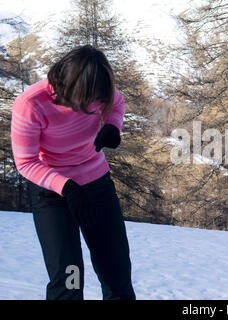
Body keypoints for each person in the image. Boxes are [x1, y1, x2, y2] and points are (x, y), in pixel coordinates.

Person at [10, 45, 136, 300]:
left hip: (96, 184)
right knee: (69, 279)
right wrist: (67, 187)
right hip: (53, 193)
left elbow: (117, 103)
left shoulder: (98, 90)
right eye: (90, 100)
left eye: (98, 100)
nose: (95, 105)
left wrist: (113, 125)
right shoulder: (31, 104)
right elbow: (26, 163)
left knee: (116, 272)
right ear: (72, 88)